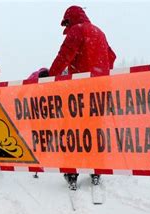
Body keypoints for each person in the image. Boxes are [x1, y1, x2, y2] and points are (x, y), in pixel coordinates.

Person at [49, 6, 116, 190]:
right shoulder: (99, 32)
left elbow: (64, 57)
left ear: (70, 20)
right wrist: (99, 70)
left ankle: (71, 172)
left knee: (73, 131)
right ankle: (96, 170)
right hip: (101, 91)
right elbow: (112, 57)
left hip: (80, 91)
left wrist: (51, 76)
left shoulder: (77, 31)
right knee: (95, 130)